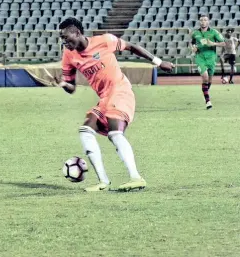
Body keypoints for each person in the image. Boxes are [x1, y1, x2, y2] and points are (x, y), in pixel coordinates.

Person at [53, 18, 174, 192]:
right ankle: (103, 182)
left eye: (66, 37)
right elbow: (71, 87)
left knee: (115, 132)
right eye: (61, 39)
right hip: (104, 98)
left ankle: (136, 177)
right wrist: (64, 85)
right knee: (85, 130)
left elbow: (131, 47)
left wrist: (159, 62)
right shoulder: (68, 55)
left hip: (120, 91)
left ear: (77, 33)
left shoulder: (104, 41)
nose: (64, 42)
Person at [190, 14, 226, 109]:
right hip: (200, 57)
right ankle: (208, 101)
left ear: (208, 21)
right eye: (201, 20)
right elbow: (192, 42)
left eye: (205, 20)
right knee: (205, 77)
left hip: (211, 58)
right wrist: (193, 48)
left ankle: (205, 92)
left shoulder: (214, 32)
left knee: (209, 80)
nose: (203, 22)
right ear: (199, 21)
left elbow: (224, 43)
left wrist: (213, 43)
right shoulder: (195, 33)